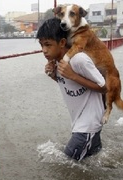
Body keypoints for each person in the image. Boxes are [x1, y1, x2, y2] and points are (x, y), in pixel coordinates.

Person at [36, 18, 107, 161]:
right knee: (92, 165)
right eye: (42, 45)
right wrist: (54, 76)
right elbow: (71, 86)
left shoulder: (79, 60)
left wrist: (73, 75)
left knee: (66, 168)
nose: (44, 50)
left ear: (62, 42)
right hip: (81, 125)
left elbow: (104, 87)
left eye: (48, 45)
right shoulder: (58, 62)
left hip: (87, 127)